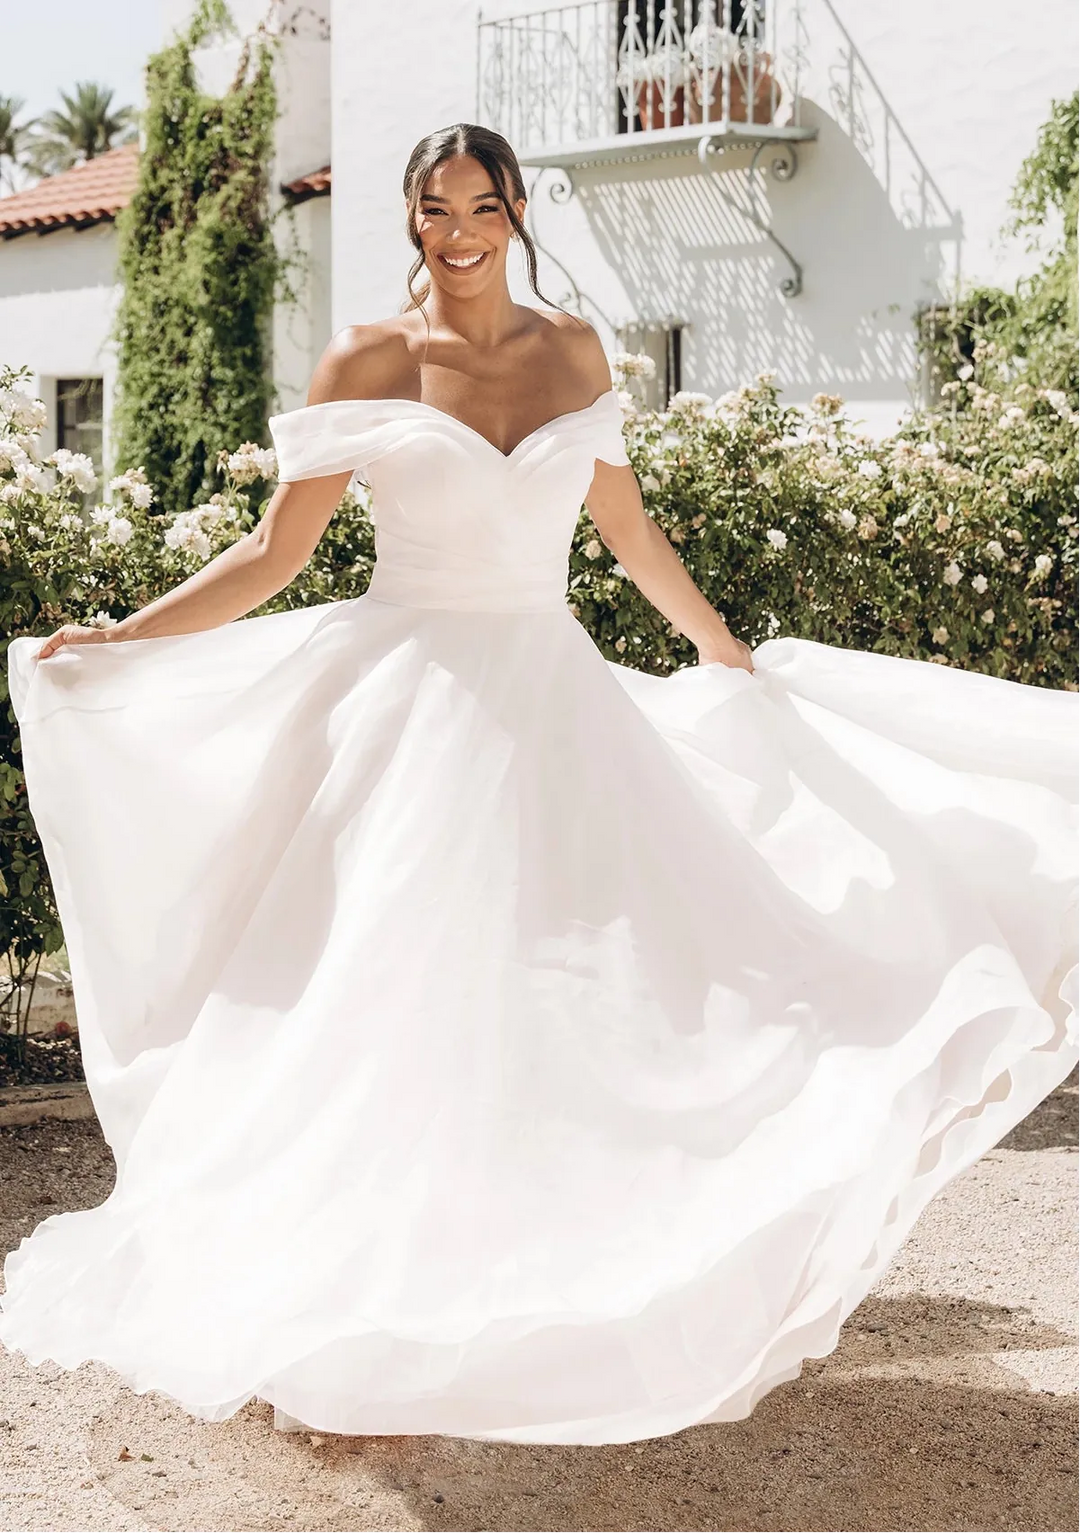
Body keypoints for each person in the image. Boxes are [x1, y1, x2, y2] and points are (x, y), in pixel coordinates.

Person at [0, 122, 1076, 1447]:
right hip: (409, 710)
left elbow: (625, 531)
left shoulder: (574, 352)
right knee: (394, 1009)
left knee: (608, 1004)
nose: (457, 234)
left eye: (482, 208)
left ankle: (565, 1287)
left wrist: (721, 652)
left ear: (515, 214)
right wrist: (121, 637)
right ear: (408, 217)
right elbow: (276, 556)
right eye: (435, 209)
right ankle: (351, 1300)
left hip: (556, 707)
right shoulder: (372, 361)